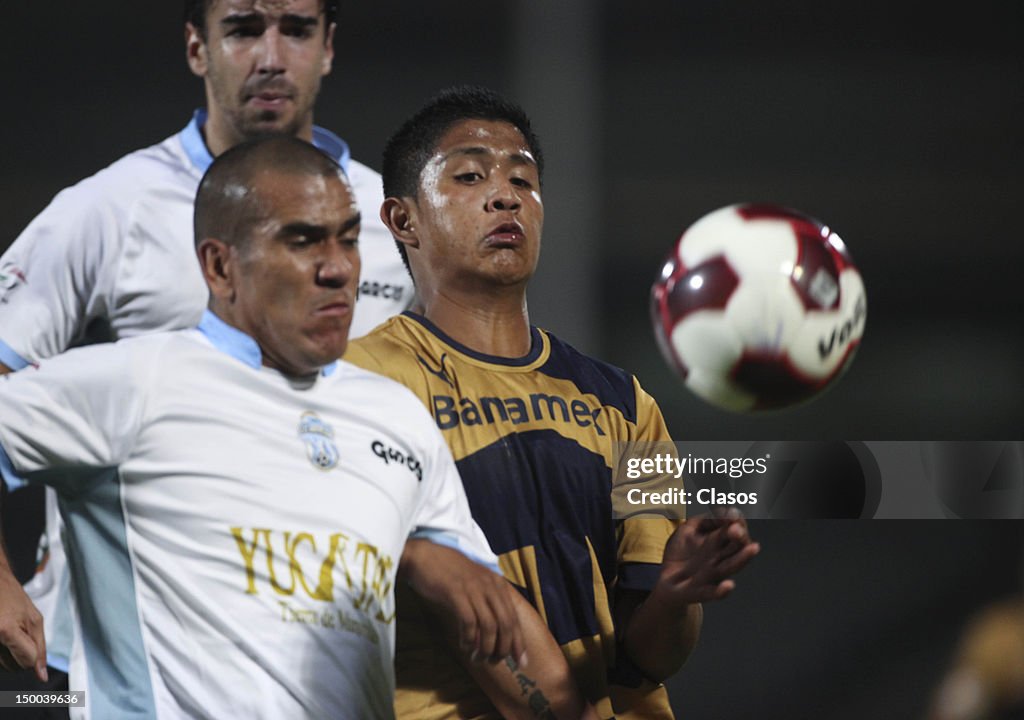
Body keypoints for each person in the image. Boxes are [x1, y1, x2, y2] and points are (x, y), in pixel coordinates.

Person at [0, 135, 594, 719]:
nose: (338, 269)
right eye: (302, 241)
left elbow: (495, 635)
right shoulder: (136, 383)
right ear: (219, 265)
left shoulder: (397, 417)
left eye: (349, 240)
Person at [0, 0, 410, 688]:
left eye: (297, 30)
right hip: (113, 662)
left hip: (319, 664)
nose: (272, 57)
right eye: (245, 29)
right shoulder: (110, 210)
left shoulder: (389, 225)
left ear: (329, 46)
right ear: (197, 47)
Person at [345, 85, 761, 719]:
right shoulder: (360, 383)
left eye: (524, 178)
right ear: (404, 220)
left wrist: (677, 595)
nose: (506, 194)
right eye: (469, 175)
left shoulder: (626, 404)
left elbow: (647, 659)